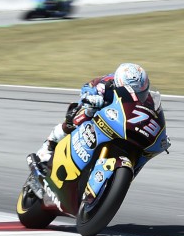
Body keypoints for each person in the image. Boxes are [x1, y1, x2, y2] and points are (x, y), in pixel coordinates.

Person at [27, 62, 169, 175]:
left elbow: (152, 113)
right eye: (132, 92)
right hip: (100, 112)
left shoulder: (148, 98)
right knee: (79, 113)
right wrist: (91, 97)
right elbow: (87, 87)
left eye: (140, 92)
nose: (137, 95)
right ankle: (48, 147)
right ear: (119, 83)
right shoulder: (107, 82)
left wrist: (160, 136)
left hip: (123, 121)